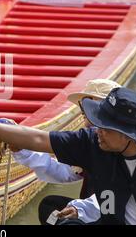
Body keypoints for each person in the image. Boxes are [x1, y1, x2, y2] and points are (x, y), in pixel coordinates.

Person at [0, 87, 136, 225]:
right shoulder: (92, 143)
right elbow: (38, 139)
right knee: (54, 213)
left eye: (105, 128)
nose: (97, 131)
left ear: (128, 135)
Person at [11, 79, 120, 224]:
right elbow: (65, 172)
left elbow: (118, 193)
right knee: (50, 206)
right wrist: (22, 151)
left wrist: (80, 209)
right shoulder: (92, 140)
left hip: (112, 212)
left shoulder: (119, 143)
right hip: (95, 208)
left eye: (87, 105)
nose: (83, 111)